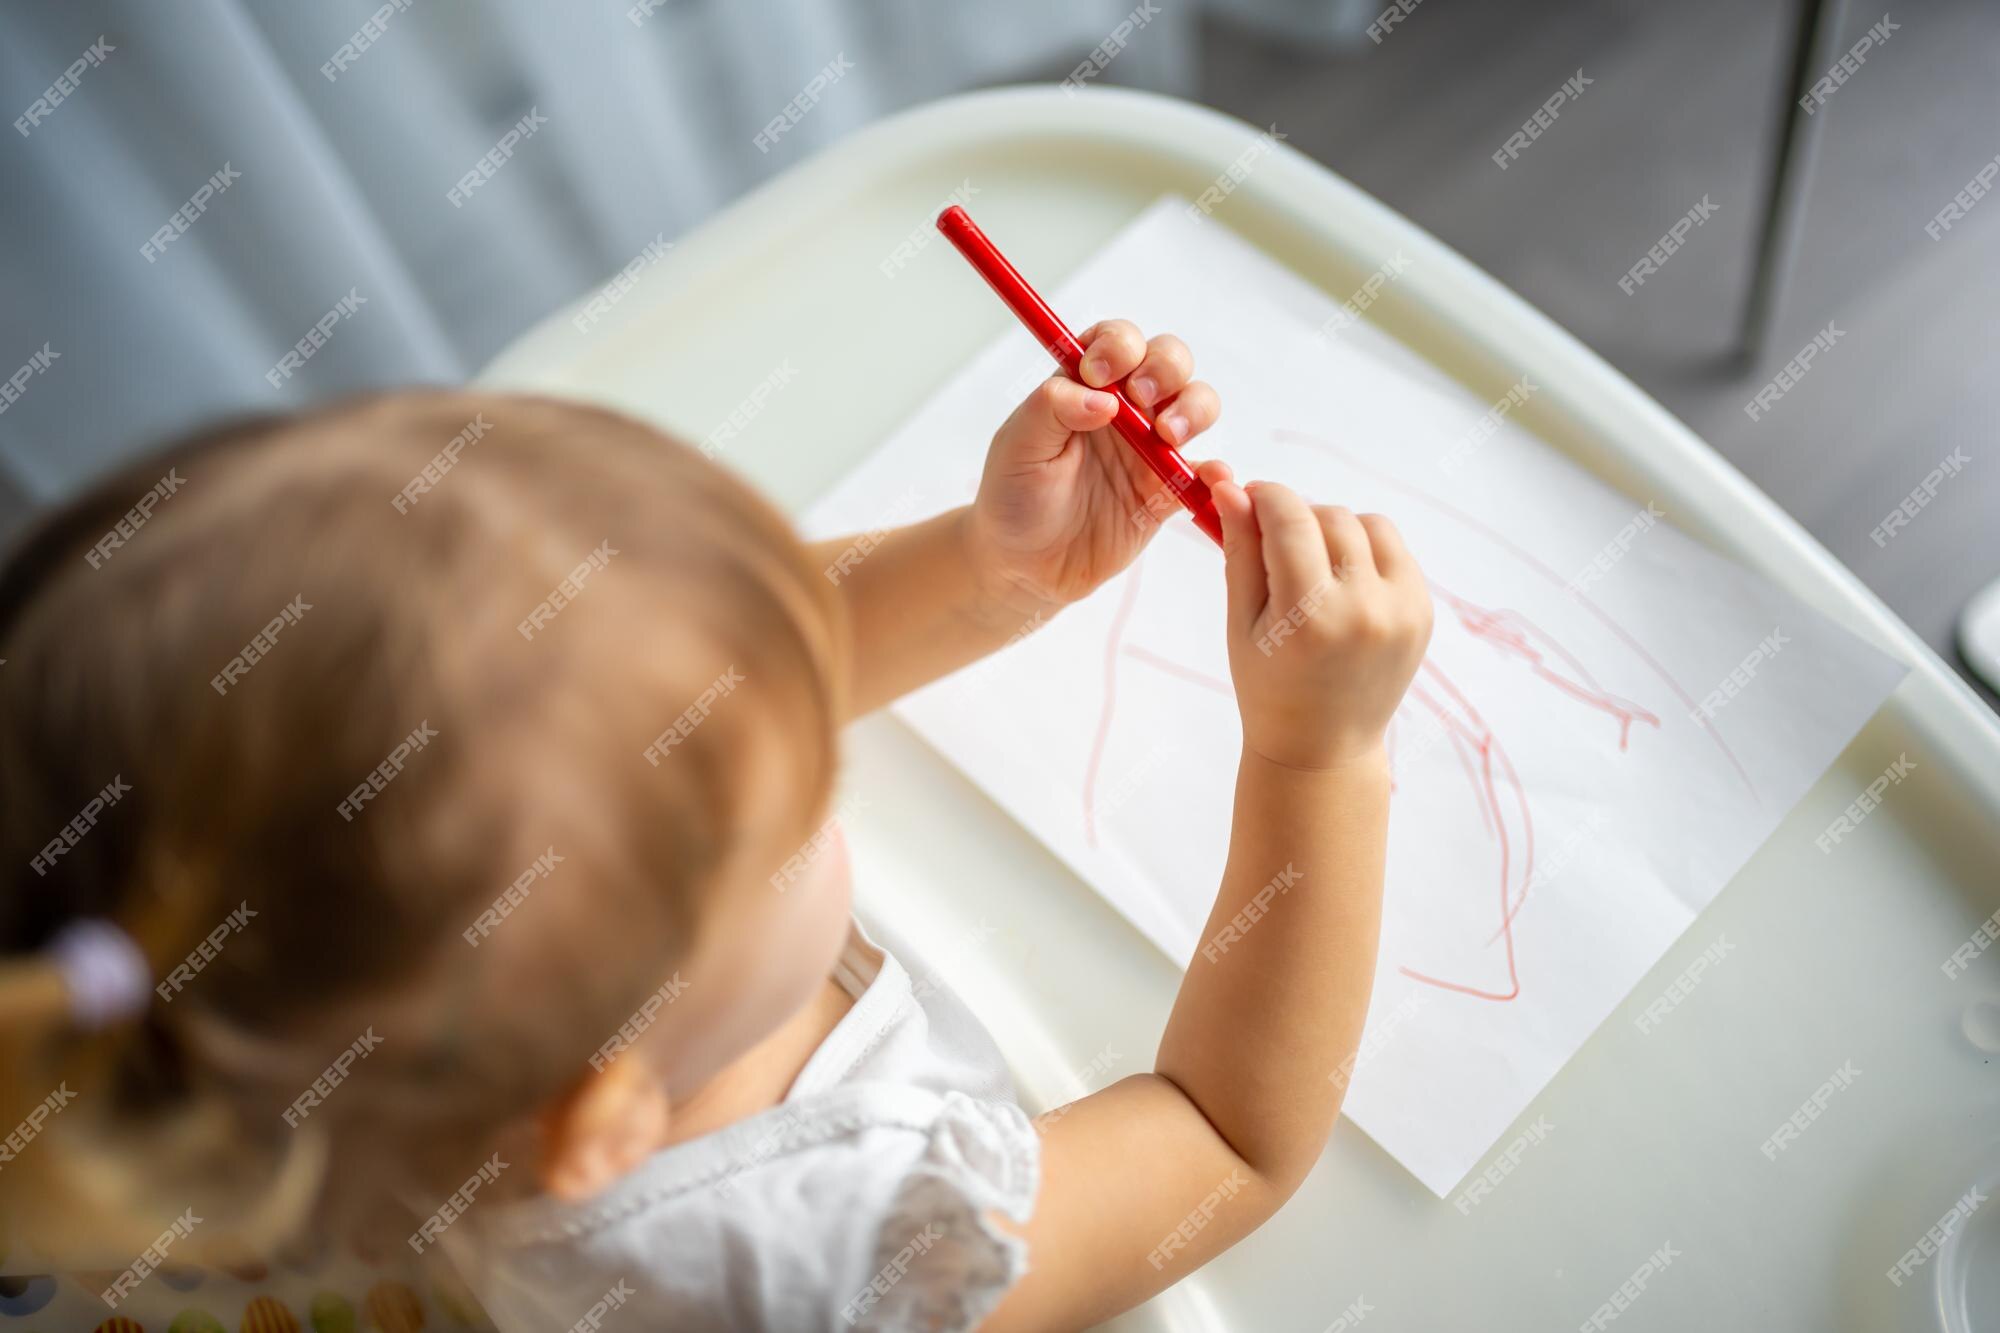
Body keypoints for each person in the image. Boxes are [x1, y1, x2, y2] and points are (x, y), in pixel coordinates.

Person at [0, 320, 1430, 1330]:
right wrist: (1322, 753)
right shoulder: (838, 1249)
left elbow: (653, 734)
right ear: (602, 1107)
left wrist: (998, 568)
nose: (820, 734)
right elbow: (1228, 1136)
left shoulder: (310, 1028)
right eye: (801, 795)